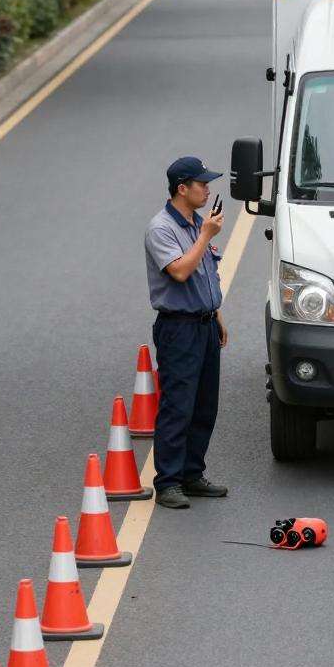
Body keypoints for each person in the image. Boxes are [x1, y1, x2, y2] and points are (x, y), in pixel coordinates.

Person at [144, 156, 230, 510]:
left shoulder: (198, 222)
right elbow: (180, 271)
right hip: (178, 328)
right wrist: (206, 235)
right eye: (202, 184)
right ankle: (168, 482)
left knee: (204, 403)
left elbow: (207, 273)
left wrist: (218, 315)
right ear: (182, 188)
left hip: (206, 323)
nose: (208, 189)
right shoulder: (161, 228)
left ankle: (192, 473)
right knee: (178, 404)